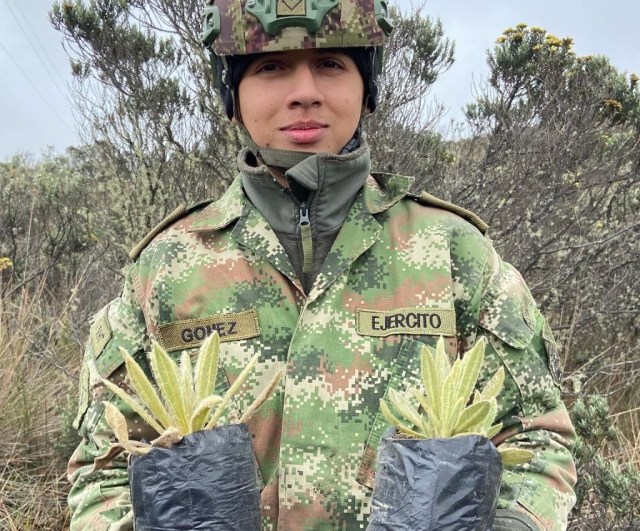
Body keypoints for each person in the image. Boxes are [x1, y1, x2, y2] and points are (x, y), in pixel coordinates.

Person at [66, 0, 577, 529]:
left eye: (331, 64)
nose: (305, 91)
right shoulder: (166, 266)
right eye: (271, 67)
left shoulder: (453, 252)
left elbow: (538, 439)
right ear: (232, 93)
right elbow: (103, 468)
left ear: (367, 86)